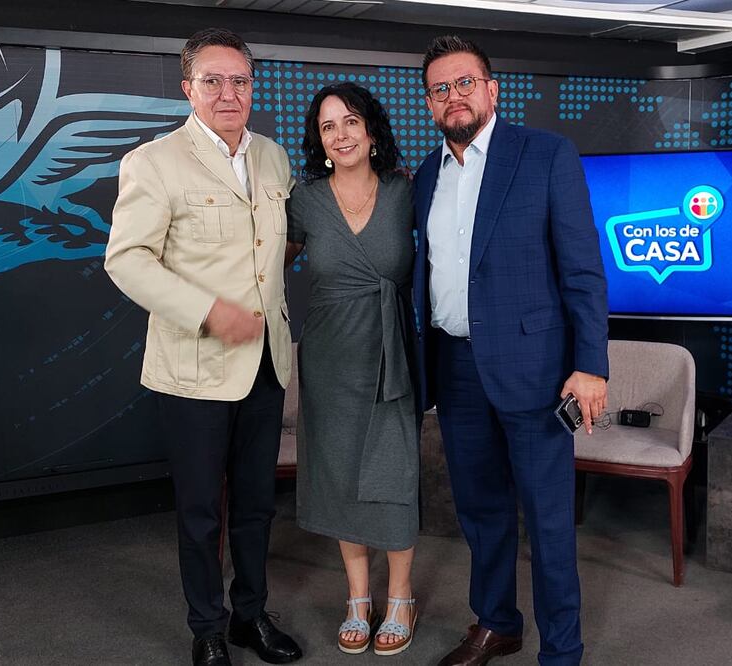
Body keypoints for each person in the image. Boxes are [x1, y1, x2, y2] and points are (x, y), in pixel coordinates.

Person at [104, 27, 302, 666]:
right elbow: (127, 260)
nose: (227, 92)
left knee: (256, 506)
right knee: (199, 514)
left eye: (239, 80)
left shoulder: (273, 158)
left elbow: (271, 248)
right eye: (212, 80)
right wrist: (209, 312)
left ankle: (250, 616)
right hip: (193, 370)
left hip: (267, 364)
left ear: (252, 87)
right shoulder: (154, 162)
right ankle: (207, 628)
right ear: (188, 87)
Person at [412, 35, 610, 666]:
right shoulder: (424, 177)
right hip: (458, 369)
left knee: (550, 526)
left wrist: (591, 366)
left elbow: (582, 270)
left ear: (492, 89)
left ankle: (562, 651)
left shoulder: (546, 154)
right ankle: (497, 622)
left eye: (464, 83)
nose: (454, 97)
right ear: (430, 104)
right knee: (481, 513)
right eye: (440, 89)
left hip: (539, 374)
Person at [285, 82, 420, 657]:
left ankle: (402, 597)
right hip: (329, 359)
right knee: (340, 474)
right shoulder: (305, 200)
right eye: (327, 126)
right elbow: (263, 262)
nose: (340, 135)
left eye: (350, 122)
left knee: (393, 475)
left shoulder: (406, 190)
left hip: (391, 353)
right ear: (319, 140)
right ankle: (358, 599)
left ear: (371, 130)